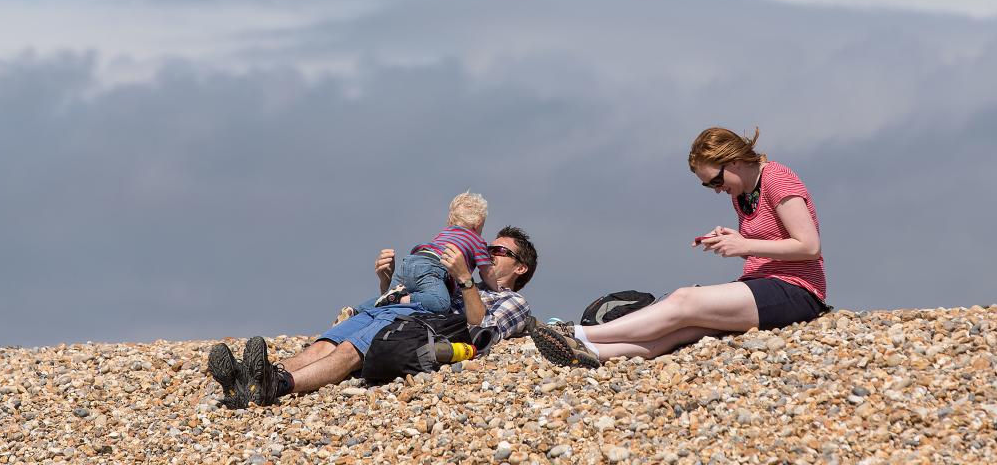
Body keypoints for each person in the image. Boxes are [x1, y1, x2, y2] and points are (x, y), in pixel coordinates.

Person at [531, 126, 827, 368]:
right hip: (763, 285)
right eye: (708, 185)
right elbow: (770, 239)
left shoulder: (777, 178)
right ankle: (590, 353)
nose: (717, 190)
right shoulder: (742, 193)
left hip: (796, 290)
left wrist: (743, 244)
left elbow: (809, 245)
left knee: (684, 299)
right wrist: (731, 237)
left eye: (716, 180)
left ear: (735, 161)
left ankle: (577, 333)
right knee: (682, 330)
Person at [208, 225, 538, 407]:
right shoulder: (458, 276)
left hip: (423, 329)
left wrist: (465, 279)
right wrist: (388, 279)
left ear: (520, 267)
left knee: (351, 350)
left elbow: (482, 329)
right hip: (401, 311)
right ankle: (249, 379)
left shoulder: (512, 301)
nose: (489, 254)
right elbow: (422, 294)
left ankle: (278, 385)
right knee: (329, 341)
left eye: (499, 251)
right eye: (488, 248)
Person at [349, 191, 499, 315]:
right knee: (441, 303)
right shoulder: (477, 240)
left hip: (410, 261)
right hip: (432, 268)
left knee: (384, 300)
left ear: (450, 220)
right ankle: (399, 299)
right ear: (479, 223)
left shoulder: (444, 233)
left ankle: (355, 312)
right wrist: (496, 288)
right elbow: (487, 272)